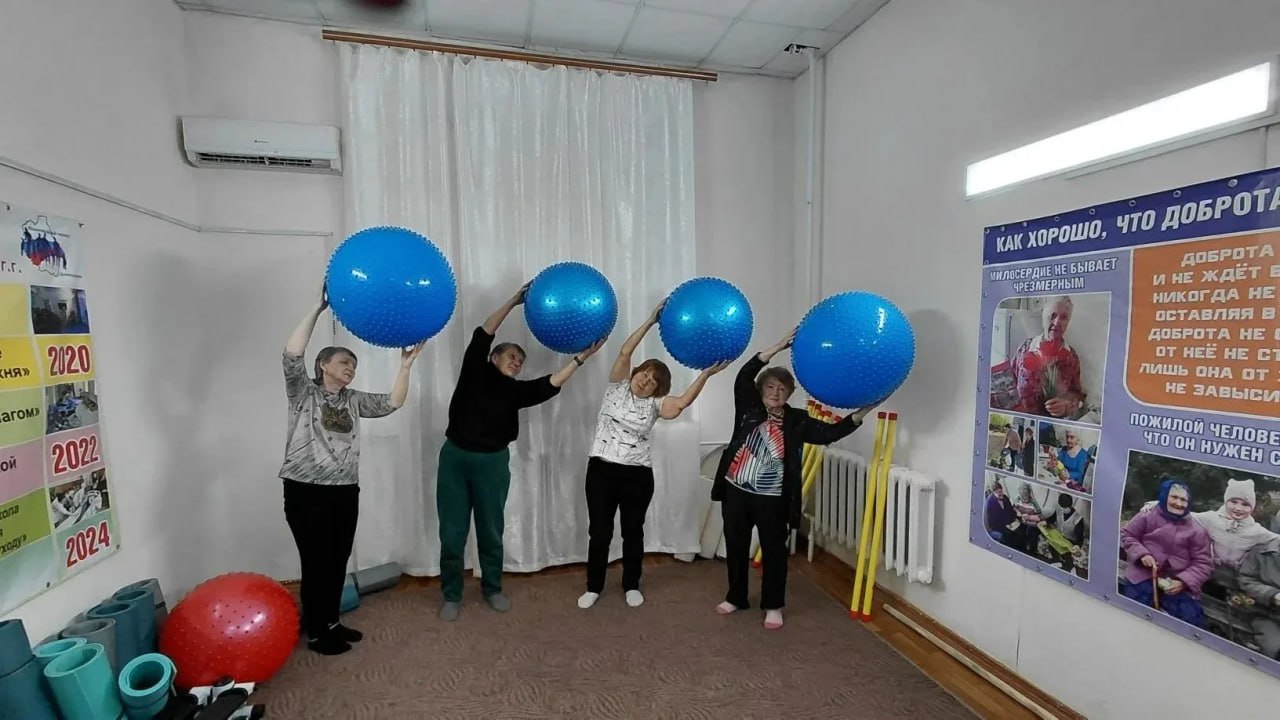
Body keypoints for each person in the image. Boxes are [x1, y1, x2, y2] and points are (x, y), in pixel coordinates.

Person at [438, 281, 604, 621]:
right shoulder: (474, 370)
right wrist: (514, 300)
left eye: (521, 360)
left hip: (492, 463)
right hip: (455, 458)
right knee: (452, 533)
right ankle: (451, 594)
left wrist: (580, 359)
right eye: (512, 356)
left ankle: (492, 589)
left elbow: (551, 384)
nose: (517, 361)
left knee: (491, 530)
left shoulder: (516, 392)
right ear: (494, 357)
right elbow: (484, 332)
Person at [281, 283, 425, 656]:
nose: (351, 369)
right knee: (316, 563)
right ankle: (317, 632)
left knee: (336, 561)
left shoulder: (353, 400)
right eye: (345, 362)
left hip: (345, 491)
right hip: (306, 490)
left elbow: (392, 403)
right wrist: (317, 308)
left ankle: (330, 622)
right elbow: (292, 354)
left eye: (354, 366)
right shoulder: (304, 393)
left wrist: (405, 367)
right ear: (323, 365)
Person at [710, 329, 881, 630]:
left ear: (789, 394)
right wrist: (777, 346)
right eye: (771, 387)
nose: (776, 393)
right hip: (736, 491)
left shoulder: (797, 420)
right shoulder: (749, 407)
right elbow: (743, 376)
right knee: (736, 547)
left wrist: (863, 411)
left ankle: (773, 605)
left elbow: (829, 433)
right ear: (761, 389)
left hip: (774, 499)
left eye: (783, 389)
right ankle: (736, 596)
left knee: (774, 552)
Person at [578, 299, 729, 610]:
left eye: (653, 381)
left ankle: (632, 584)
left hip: (636, 476)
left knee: (633, 532)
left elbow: (682, 402)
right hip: (601, 471)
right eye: (645, 374)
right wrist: (650, 321)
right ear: (636, 372)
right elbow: (625, 352)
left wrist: (705, 375)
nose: (646, 381)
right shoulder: (616, 386)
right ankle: (594, 586)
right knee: (600, 532)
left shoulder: (656, 405)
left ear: (657, 389)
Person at [1119, 479, 1213, 627]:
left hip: (1176, 580)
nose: (1179, 503)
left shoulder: (1196, 531)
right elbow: (1128, 535)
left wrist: (1183, 582)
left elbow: (1203, 563)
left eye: (1183, 500)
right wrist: (1143, 554)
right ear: (1164, 497)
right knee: (1134, 609)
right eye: (1174, 497)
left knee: (1189, 618)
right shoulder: (1147, 516)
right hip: (1144, 573)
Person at [1010, 295, 1086, 419]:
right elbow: (1011, 380)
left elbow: (1077, 395)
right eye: (1053, 315)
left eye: (1064, 317)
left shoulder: (1071, 357)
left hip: (1051, 424)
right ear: (1044, 317)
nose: (1057, 322)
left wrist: (1066, 406)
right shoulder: (1026, 347)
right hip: (1021, 419)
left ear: (1068, 322)